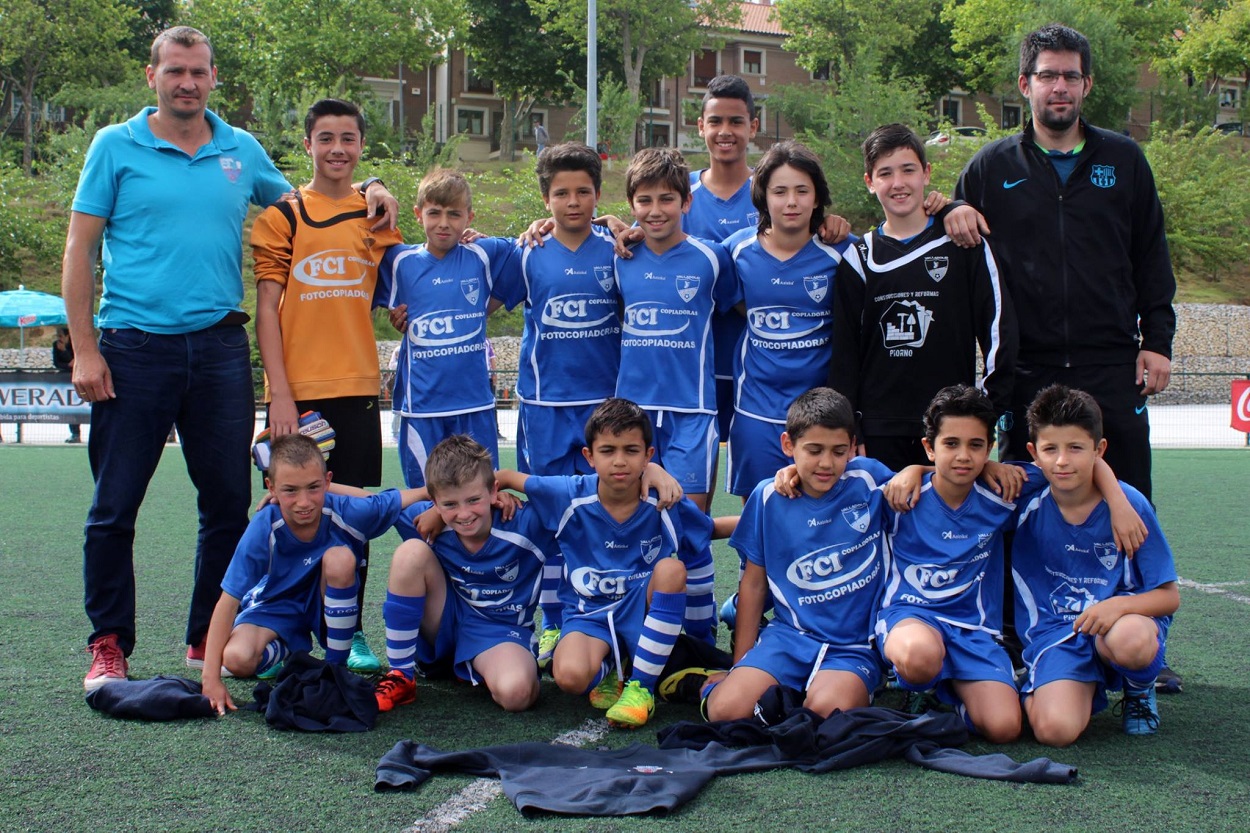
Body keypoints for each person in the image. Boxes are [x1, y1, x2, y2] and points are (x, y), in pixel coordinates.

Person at [61, 25, 399, 692]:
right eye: (174, 71)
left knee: (224, 504)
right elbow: (80, 251)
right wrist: (85, 348)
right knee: (114, 505)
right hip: (131, 349)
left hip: (219, 349)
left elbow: (314, 196)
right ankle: (109, 642)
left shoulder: (239, 150)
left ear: (215, 78)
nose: (187, 82)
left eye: (199, 72)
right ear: (152, 76)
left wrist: (377, 183)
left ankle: (199, 638)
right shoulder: (114, 146)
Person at [945, 23, 1180, 690]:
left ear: (1087, 85)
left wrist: (1156, 340)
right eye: (1047, 75)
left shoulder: (1124, 160)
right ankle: (1026, 639)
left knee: (1129, 494)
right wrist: (951, 208)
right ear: (1025, 85)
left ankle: (1143, 649)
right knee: (1023, 501)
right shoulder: (991, 167)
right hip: (1029, 364)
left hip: (1111, 360)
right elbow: (954, 238)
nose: (1059, 86)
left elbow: (1151, 256)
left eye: (1070, 75)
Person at [876, 384, 1141, 743]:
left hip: (975, 631)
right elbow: (839, 478)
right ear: (929, 446)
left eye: (975, 445)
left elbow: (1078, 463)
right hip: (913, 617)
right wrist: (913, 469)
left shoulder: (1004, 490)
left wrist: (1119, 502)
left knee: (1004, 728)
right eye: (950, 444)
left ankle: (950, 699)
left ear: (990, 448)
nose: (963, 456)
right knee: (919, 654)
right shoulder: (899, 493)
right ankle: (917, 685)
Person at [251, 98, 404, 674]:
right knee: (290, 513)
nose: (337, 149)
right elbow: (268, 310)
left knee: (351, 515)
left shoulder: (378, 217)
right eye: (325, 138)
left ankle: (351, 630)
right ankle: (282, 630)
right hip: (301, 393)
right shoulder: (282, 217)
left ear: (362, 146)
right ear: (308, 145)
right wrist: (281, 393)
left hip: (360, 388)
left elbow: (403, 288)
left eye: (348, 138)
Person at [495, 398, 717, 729]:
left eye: (631, 450)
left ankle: (641, 688)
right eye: (608, 450)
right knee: (569, 678)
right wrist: (492, 496)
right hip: (590, 615)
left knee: (670, 570)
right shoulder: (568, 494)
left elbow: (708, 531)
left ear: (648, 456)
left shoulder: (665, 501)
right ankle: (613, 668)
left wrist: (761, 519)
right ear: (589, 456)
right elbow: (504, 476)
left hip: (643, 611)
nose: (619, 461)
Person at [492, 142, 621, 666]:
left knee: (603, 511)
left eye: (584, 191)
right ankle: (550, 624)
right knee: (546, 513)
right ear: (545, 199)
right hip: (545, 406)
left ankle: (601, 613)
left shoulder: (619, 246)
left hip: (605, 407)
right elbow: (482, 297)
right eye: (562, 193)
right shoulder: (527, 252)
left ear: (597, 194)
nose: (573, 202)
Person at [830, 123, 1016, 472]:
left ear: (926, 174)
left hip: (952, 428)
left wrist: (985, 412)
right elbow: (845, 356)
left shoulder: (965, 244)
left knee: (949, 525)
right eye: (885, 173)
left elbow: (999, 334)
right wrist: (850, 428)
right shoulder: (859, 259)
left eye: (908, 170)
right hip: (880, 429)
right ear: (870, 182)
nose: (898, 183)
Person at [199, 434, 425, 715]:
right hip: (276, 607)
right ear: (271, 487)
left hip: (325, 603)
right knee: (237, 659)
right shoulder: (264, 526)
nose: (303, 502)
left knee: (341, 558)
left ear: (328, 482)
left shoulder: (347, 511)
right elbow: (227, 601)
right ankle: (288, 649)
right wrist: (211, 679)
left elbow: (393, 499)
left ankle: (336, 670)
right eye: (290, 491)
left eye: (314, 488)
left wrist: (442, 495)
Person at [704, 388, 892, 721]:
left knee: (823, 713)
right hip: (790, 637)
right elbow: (754, 585)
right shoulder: (767, 497)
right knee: (725, 711)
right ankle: (705, 683)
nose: (826, 463)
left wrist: (917, 471)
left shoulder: (869, 478)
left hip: (853, 647)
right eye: (814, 450)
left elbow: (930, 487)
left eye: (837, 451)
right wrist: (740, 664)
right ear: (788, 445)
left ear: (852, 447)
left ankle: (842, 684)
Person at [1013, 385, 1178, 744]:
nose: (1062, 461)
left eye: (1075, 448)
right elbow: (963, 473)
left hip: (1120, 625)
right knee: (1055, 732)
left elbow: (1168, 597)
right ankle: (1051, 683)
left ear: (1098, 450)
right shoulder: (1025, 494)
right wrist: (915, 470)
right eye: (1050, 449)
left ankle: (1139, 689)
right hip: (1057, 631)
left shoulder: (1130, 505)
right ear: (1033, 454)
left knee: (1130, 639)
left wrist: (1117, 605)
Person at [372, 435, 558, 714]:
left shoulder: (524, 521)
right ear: (434, 501)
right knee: (411, 553)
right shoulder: (429, 516)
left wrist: (650, 470)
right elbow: (366, 503)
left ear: (494, 492)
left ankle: (480, 665)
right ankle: (401, 675)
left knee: (517, 694)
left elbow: (579, 499)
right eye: (450, 504)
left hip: (498, 631)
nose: (464, 514)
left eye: (473, 500)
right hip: (443, 621)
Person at [722, 141, 854, 500]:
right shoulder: (734, 251)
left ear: (817, 197)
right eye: (780, 191)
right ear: (763, 196)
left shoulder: (844, 250)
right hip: (756, 412)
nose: (791, 201)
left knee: (818, 518)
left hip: (821, 416)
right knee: (760, 514)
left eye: (802, 190)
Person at [613, 148, 735, 513]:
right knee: (631, 516)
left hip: (693, 410)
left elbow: (737, 306)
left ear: (687, 202)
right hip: (632, 411)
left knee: (689, 519)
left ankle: (693, 573)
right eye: (644, 200)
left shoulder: (713, 258)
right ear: (631, 205)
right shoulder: (618, 258)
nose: (655, 210)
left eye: (667, 199)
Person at [378, 168, 514, 489]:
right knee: (426, 496)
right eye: (434, 213)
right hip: (422, 409)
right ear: (417, 213)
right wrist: (393, 316)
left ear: (469, 216)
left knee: (480, 494)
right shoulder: (398, 261)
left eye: (454, 214)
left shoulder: (485, 253)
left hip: (475, 406)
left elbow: (530, 244)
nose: (443, 223)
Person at [51, 327, 83, 443]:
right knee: (69, 406)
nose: (58, 338)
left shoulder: (75, 344)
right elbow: (57, 363)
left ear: (67, 336)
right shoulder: (56, 345)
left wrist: (64, 351)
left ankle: (78, 433)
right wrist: (69, 364)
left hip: (77, 378)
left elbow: (76, 362)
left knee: (78, 404)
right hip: (64, 380)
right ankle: (74, 433)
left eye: (60, 336)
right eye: (57, 336)